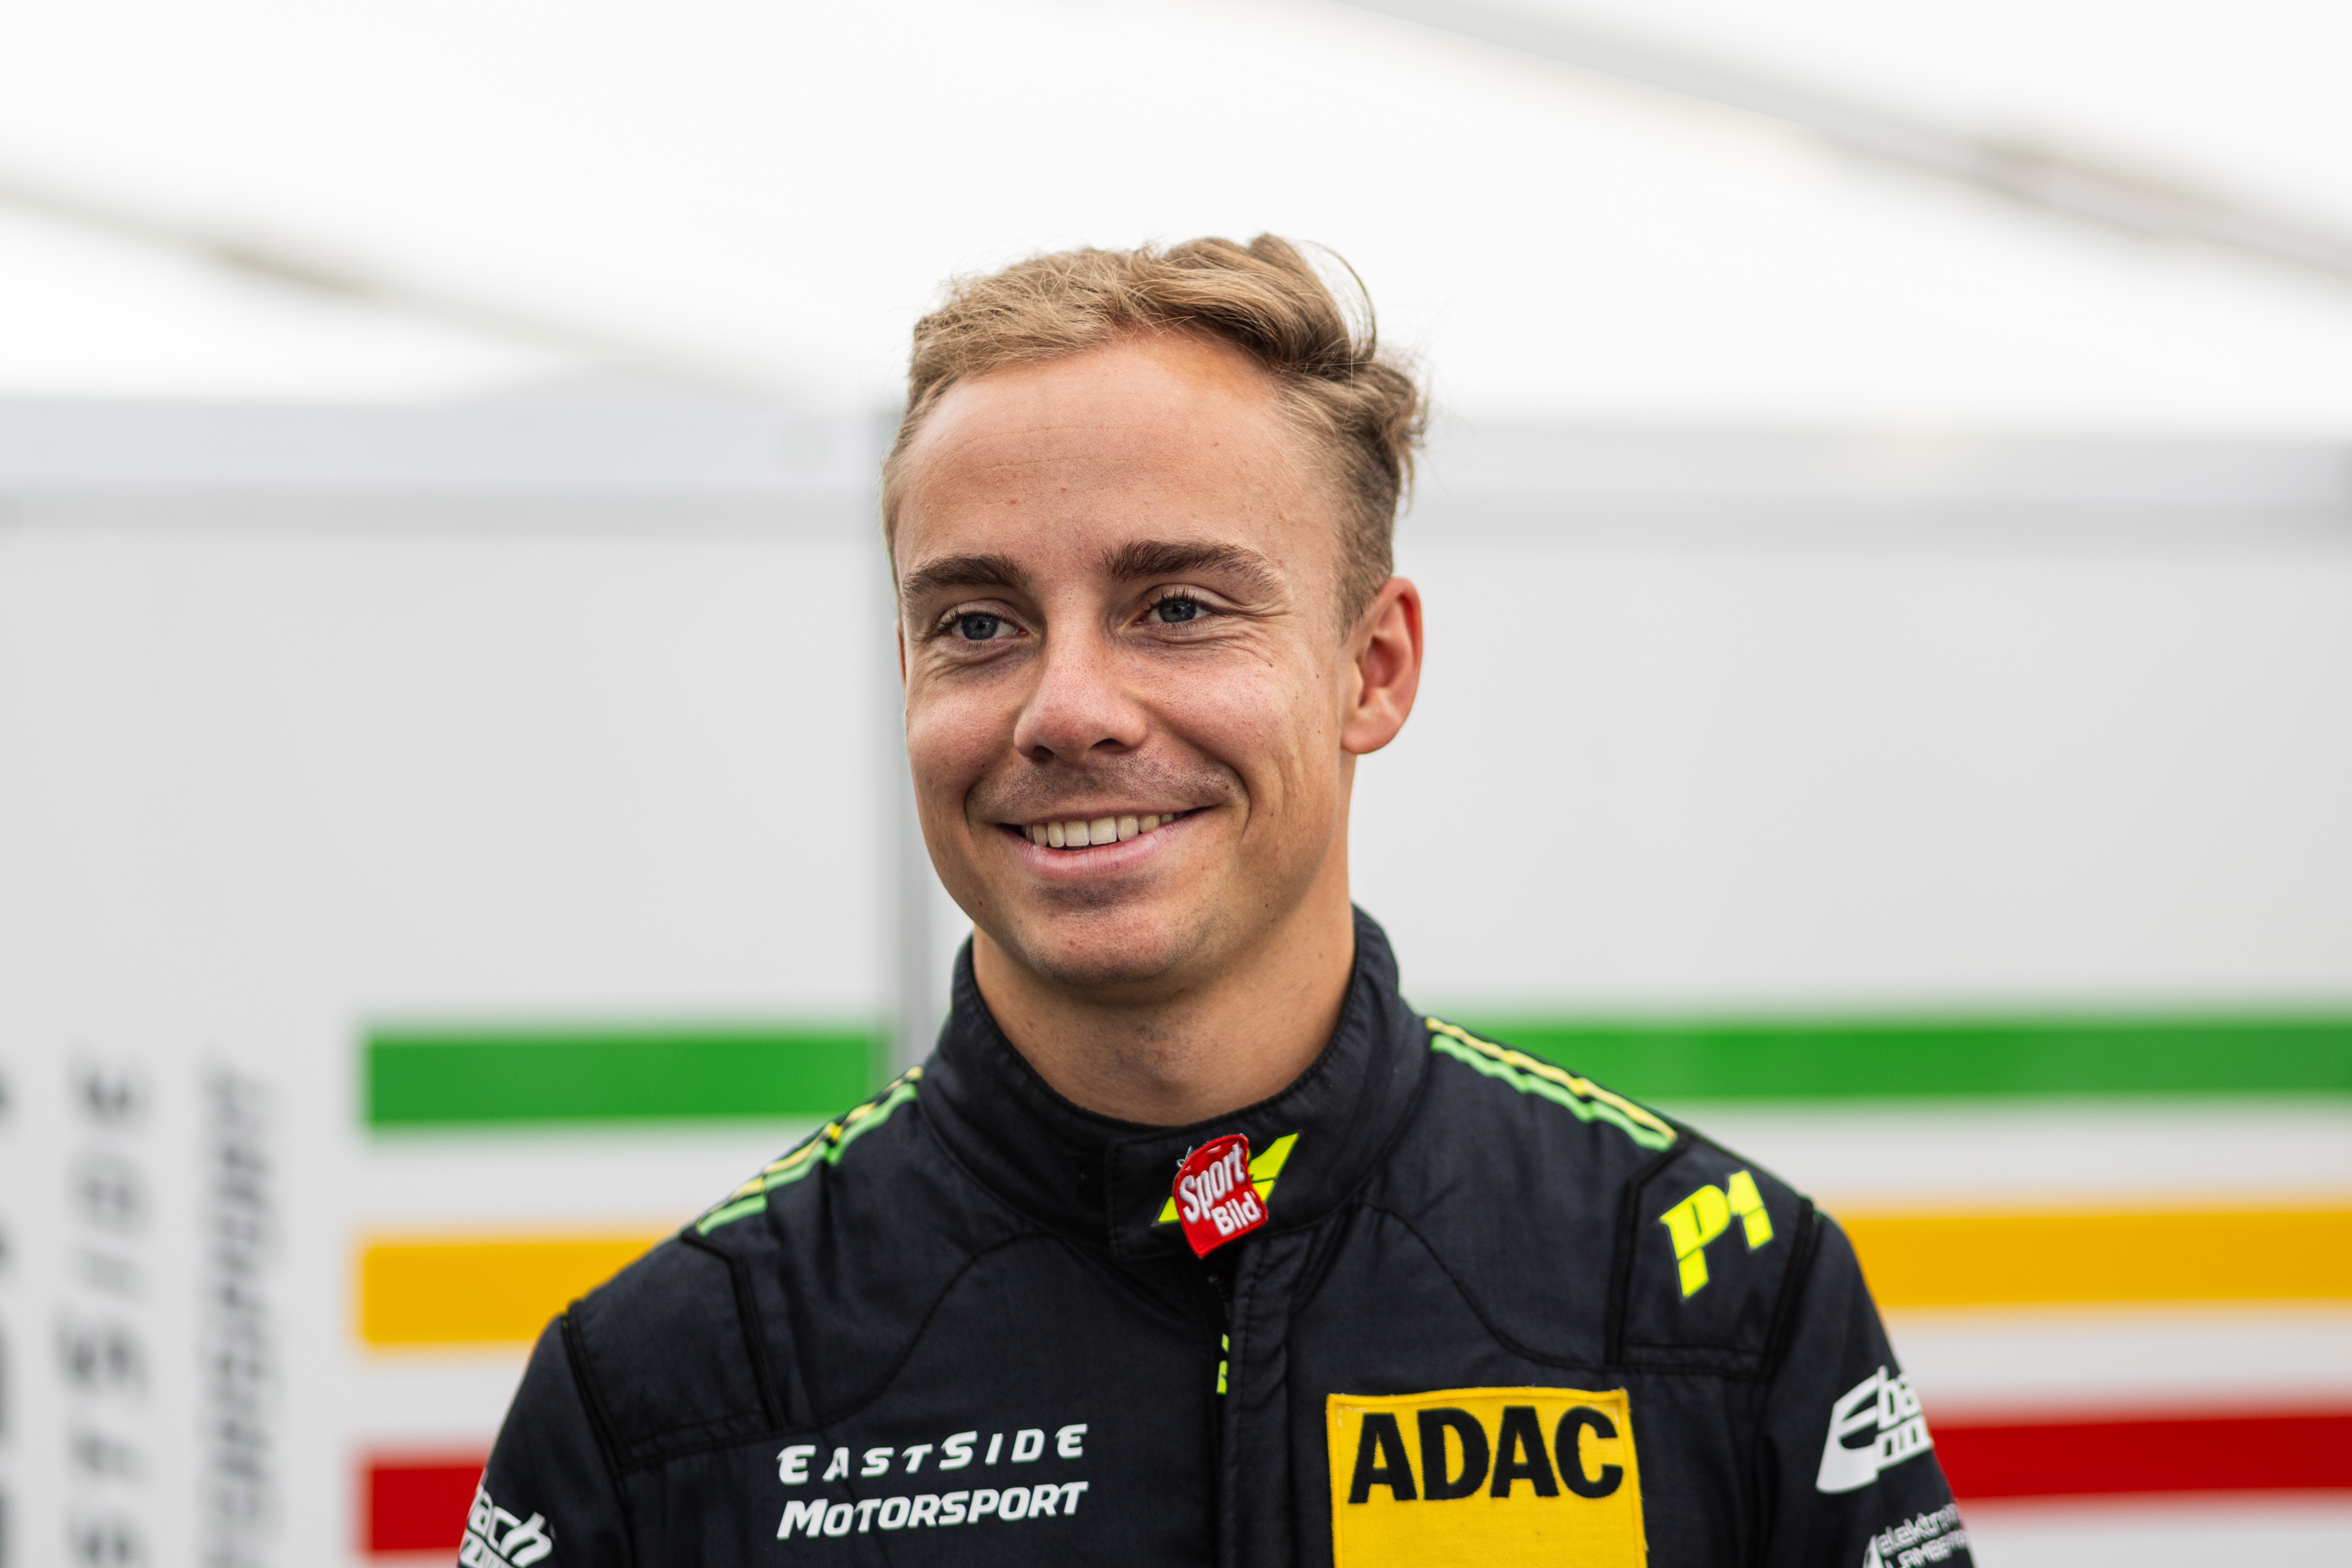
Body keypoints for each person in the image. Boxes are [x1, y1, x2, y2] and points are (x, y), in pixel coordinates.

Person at [468, 235, 1970, 1567]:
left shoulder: (1713, 1294)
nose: (1067, 709)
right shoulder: (665, 1383)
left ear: (1372, 669)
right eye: (978, 623)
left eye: (1178, 607)